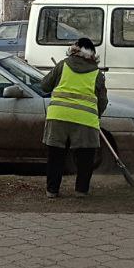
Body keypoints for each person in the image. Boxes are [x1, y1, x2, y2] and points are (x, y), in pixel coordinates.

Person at [40, 37, 108, 198]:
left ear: (74, 50)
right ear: (93, 54)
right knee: (85, 158)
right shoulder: (97, 74)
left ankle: (52, 190)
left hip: (58, 117)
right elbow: (103, 101)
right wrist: (96, 115)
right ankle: (81, 191)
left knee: (56, 156)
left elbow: (44, 86)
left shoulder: (62, 65)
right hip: (85, 120)